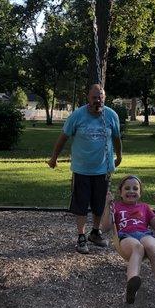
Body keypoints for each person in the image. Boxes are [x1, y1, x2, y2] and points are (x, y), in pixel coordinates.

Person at [48, 84, 122, 254]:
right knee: (81, 204)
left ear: (105, 98)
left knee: (99, 203)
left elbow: (117, 138)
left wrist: (119, 156)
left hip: (103, 168)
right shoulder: (77, 115)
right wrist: (54, 158)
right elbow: (63, 137)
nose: (98, 100)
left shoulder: (111, 115)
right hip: (82, 169)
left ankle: (95, 233)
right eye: (95, 97)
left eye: (101, 97)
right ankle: (81, 236)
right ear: (88, 98)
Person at [102, 175, 155, 308]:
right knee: (137, 247)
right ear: (120, 192)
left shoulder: (145, 207)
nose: (131, 191)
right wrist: (107, 205)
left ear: (140, 192)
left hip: (145, 234)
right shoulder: (116, 207)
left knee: (150, 246)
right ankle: (132, 284)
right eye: (127, 188)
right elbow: (105, 227)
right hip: (126, 236)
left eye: (135, 188)